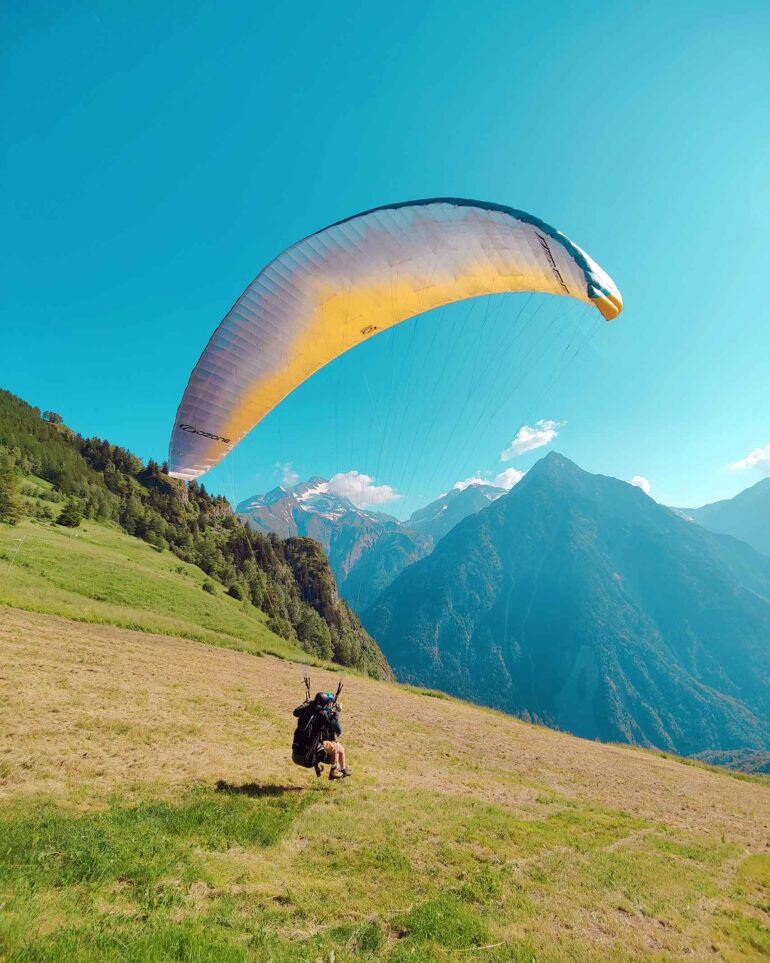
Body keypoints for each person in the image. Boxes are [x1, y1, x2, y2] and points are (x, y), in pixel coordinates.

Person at [292, 691, 352, 779]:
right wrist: (337, 712)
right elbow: (332, 724)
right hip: (310, 751)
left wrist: (307, 703)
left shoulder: (307, 709)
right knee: (336, 747)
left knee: (333, 746)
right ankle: (334, 771)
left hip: (297, 749)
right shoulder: (321, 713)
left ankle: (334, 769)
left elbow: (295, 712)